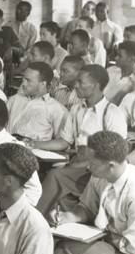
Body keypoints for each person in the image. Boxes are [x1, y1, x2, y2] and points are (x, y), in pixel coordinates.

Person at [33, 64, 127, 216]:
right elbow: (64, 141)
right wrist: (35, 144)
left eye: (81, 82)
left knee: (56, 174)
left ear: (95, 86)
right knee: (58, 191)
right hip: (77, 161)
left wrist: (83, 164)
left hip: (98, 168)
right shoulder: (76, 109)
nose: (76, 86)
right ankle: (48, 222)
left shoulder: (112, 113)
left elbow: (115, 156)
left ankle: (33, 218)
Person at [7, 62, 68, 143]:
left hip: (33, 152)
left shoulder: (56, 109)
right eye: (23, 79)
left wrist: (35, 145)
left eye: (28, 81)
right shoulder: (15, 99)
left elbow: (62, 142)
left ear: (42, 84)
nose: (23, 84)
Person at [104, 40, 135, 105]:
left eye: (120, 55)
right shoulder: (111, 70)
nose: (116, 58)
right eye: (116, 54)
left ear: (131, 59)